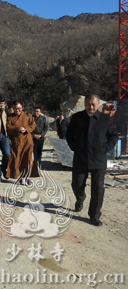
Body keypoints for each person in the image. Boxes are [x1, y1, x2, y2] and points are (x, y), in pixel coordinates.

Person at [66, 95, 118, 226]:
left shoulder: (105, 119)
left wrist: (105, 148)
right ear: (85, 104)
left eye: (94, 104)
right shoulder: (77, 118)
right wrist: (75, 147)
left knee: (98, 188)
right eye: (89, 104)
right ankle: (80, 197)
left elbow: (113, 136)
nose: (91, 107)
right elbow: (69, 135)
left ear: (99, 104)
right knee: (77, 184)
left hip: (98, 159)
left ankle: (94, 215)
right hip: (81, 158)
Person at [6, 101, 38, 184]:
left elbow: (33, 125)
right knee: (17, 159)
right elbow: (8, 128)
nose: (17, 110)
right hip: (16, 142)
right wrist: (18, 128)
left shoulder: (28, 115)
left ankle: (28, 177)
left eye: (19, 108)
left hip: (27, 141)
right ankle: (19, 176)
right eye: (15, 109)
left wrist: (26, 129)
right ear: (12, 108)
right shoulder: (10, 117)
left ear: (22, 107)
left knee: (28, 159)